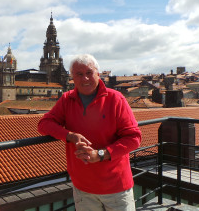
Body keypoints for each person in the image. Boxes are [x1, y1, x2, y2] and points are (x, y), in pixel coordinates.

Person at [38, 54, 141, 211]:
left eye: (89, 73)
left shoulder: (116, 99)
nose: (85, 78)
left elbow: (134, 138)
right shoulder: (67, 99)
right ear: (72, 77)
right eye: (79, 74)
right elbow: (44, 124)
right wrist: (69, 135)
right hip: (83, 188)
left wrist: (100, 155)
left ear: (98, 74)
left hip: (116, 187)